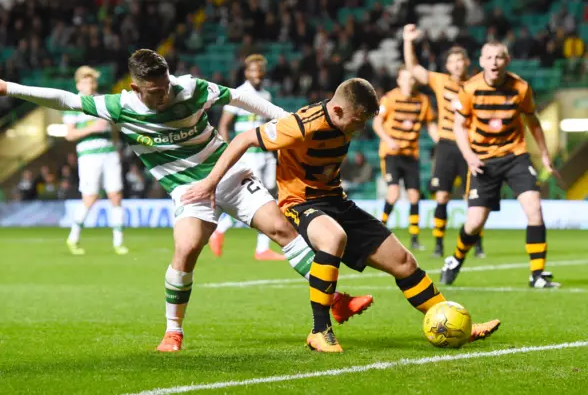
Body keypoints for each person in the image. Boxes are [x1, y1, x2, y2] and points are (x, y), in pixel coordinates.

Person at [0, 49, 371, 353]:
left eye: (165, 85)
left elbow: (240, 100)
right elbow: (64, 100)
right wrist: (9, 88)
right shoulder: (119, 107)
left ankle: (334, 302)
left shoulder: (190, 88)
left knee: (283, 229)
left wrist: (287, 120)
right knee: (186, 249)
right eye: (154, 91)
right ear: (134, 88)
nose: (163, 94)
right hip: (186, 187)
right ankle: (173, 330)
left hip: (226, 171)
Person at [182, 78, 500, 353]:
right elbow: (243, 139)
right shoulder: (301, 125)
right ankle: (319, 330)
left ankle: (455, 323)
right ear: (337, 111)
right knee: (333, 238)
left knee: (404, 262)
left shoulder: (340, 120)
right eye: (358, 121)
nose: (360, 129)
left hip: (335, 200)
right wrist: (211, 184)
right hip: (299, 202)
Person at [441, 42, 561, 289]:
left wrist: (545, 155)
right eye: (489, 57)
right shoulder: (470, 89)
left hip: (515, 156)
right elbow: (459, 126)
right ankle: (456, 259)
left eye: (499, 57)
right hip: (482, 160)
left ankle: (537, 274)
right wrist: (469, 156)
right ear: (482, 61)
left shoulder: (520, 88)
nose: (494, 62)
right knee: (474, 223)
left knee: (534, 209)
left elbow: (533, 121)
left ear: (507, 61)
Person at [402, 24, 485, 258]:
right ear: (447, 66)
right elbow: (414, 68)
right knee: (442, 196)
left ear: (467, 62)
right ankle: (438, 243)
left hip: (470, 146)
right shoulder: (440, 80)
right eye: (453, 61)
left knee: (474, 198)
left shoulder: (476, 84)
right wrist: (408, 41)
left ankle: (476, 244)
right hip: (447, 144)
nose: (458, 64)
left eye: (461, 60)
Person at [209, 54, 284, 260]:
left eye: (259, 72)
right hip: (248, 154)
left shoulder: (266, 96)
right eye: (252, 71)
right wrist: (229, 152)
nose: (257, 75)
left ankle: (261, 248)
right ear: (246, 73)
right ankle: (222, 230)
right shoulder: (239, 94)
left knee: (270, 197)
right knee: (255, 199)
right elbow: (224, 124)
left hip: (265, 152)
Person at [62, 66, 127, 256]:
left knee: (116, 195)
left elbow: (113, 128)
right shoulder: (72, 104)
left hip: (109, 153)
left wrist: (115, 144)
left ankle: (118, 242)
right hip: (89, 156)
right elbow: (70, 134)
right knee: (90, 197)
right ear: (78, 84)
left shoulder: (102, 101)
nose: (90, 85)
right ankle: (73, 237)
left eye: (92, 81)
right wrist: (92, 128)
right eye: (86, 81)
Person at [372, 68, 438, 251]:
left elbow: (430, 123)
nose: (409, 82)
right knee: (393, 193)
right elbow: (377, 123)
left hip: (411, 154)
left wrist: (439, 139)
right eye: (406, 79)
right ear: (399, 80)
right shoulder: (389, 99)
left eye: (412, 79)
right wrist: (388, 140)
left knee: (414, 196)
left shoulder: (422, 100)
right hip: (391, 153)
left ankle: (415, 238)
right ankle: (378, 232)